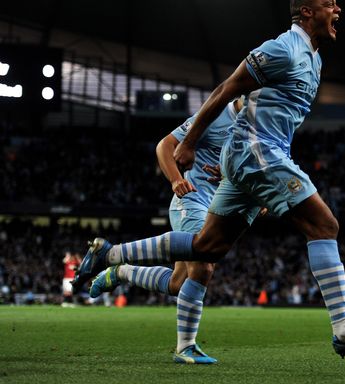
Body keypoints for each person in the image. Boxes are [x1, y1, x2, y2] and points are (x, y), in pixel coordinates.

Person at [74, 0, 345, 359]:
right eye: (329, 4)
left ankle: (111, 257)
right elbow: (226, 89)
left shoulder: (314, 60)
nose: (337, 10)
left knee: (207, 249)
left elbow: (279, 121)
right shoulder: (281, 49)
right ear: (306, 12)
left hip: (254, 159)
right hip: (254, 152)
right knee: (324, 226)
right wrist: (191, 141)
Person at [88, 98, 243, 364]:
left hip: (216, 210)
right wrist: (176, 179)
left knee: (177, 284)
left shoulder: (257, 128)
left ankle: (120, 270)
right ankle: (186, 347)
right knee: (203, 266)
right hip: (191, 200)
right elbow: (165, 145)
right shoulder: (216, 114)